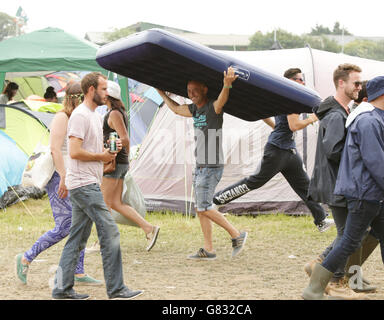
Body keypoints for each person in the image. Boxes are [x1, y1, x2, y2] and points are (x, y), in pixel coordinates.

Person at [303, 76, 384, 300]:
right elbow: (375, 161)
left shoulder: (371, 118)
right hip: (365, 192)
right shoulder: (368, 121)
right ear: (381, 94)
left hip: (370, 192)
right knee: (350, 241)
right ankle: (315, 288)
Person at [51, 72, 142, 300]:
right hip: (83, 186)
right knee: (110, 232)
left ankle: (61, 290)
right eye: (103, 89)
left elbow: (90, 150)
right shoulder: (80, 116)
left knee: (77, 238)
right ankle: (117, 289)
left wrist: (110, 151)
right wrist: (102, 157)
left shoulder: (93, 115)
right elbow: (74, 152)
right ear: (91, 90)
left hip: (87, 182)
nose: (106, 93)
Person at [213, 68, 333, 232]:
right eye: (299, 79)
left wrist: (278, 128)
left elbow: (265, 115)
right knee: (254, 182)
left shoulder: (284, 97)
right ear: (290, 81)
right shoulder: (293, 98)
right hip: (277, 151)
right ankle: (217, 200)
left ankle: (321, 220)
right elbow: (294, 125)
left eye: (302, 79)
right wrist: (314, 117)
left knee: (304, 186)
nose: (303, 82)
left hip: (289, 150)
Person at [156, 67, 248, 260]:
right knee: (200, 208)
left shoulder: (213, 107)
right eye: (188, 92)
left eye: (194, 90)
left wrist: (226, 85)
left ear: (205, 89)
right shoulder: (194, 109)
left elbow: (222, 100)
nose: (191, 95)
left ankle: (236, 235)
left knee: (204, 206)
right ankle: (208, 249)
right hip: (200, 165)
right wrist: (161, 93)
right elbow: (175, 109)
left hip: (211, 166)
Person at [15, 82, 101, 286]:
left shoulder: (80, 117)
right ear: (77, 98)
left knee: (82, 222)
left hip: (77, 176)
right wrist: (63, 177)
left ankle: (78, 272)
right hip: (59, 177)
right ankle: (26, 257)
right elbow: (55, 149)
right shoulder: (62, 117)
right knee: (64, 226)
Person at [305, 63, 371, 299]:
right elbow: (334, 150)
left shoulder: (340, 111)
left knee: (350, 233)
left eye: (360, 83)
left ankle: (328, 271)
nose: (359, 87)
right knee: (349, 234)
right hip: (337, 183)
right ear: (341, 83)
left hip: (337, 182)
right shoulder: (335, 115)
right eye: (356, 83)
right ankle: (332, 276)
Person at [101, 80, 160, 251]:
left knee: (104, 204)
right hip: (120, 163)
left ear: (107, 95)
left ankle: (104, 241)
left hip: (113, 164)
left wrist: (110, 151)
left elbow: (124, 138)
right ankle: (149, 228)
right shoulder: (118, 112)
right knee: (116, 203)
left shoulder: (113, 114)